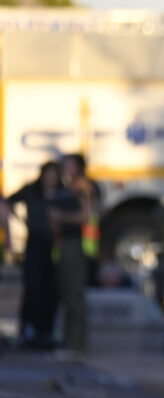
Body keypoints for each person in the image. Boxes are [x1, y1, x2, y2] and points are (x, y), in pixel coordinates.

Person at [0, 161, 61, 349]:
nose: (51, 179)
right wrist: (20, 221)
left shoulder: (61, 193)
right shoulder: (31, 191)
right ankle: (28, 328)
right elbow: (8, 202)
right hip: (35, 242)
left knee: (50, 289)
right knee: (32, 286)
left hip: (53, 245)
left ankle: (45, 330)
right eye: (48, 174)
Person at [49, 153, 100, 357]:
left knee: (75, 297)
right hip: (64, 245)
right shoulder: (66, 189)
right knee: (67, 296)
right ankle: (68, 342)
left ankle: (76, 345)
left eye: (70, 165)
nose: (67, 169)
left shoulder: (83, 188)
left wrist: (60, 216)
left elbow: (86, 216)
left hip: (77, 246)